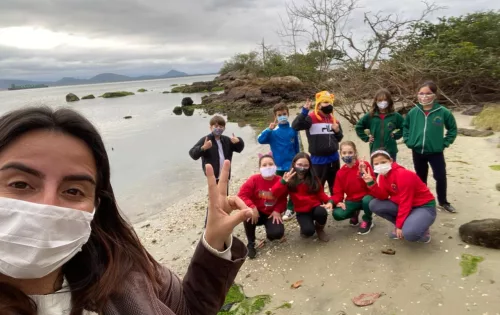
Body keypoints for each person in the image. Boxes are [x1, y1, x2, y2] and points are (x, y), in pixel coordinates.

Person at [0, 107, 252, 315]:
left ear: (96, 204)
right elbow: (193, 153)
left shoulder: (128, 269)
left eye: (73, 190)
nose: (48, 205)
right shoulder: (205, 140)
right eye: (20, 184)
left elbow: (187, 309)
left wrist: (214, 241)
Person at [403, 81, 458, 213]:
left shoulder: (443, 112)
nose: (424, 96)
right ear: (417, 95)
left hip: (435, 152)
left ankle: (443, 201)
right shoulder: (413, 112)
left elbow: (452, 129)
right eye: (421, 93)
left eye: (428, 93)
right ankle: (423, 201)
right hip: (417, 151)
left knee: (440, 176)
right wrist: (408, 141)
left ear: (434, 94)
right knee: (421, 177)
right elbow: (405, 127)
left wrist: (444, 143)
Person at [363, 150, 437, 243]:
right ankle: (408, 223)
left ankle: (422, 228)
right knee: (374, 204)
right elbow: (383, 196)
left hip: (424, 206)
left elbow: (406, 202)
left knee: (410, 234)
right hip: (405, 205)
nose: (380, 166)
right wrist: (371, 183)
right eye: (376, 164)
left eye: (383, 162)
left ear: (391, 160)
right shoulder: (382, 176)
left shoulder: (403, 174)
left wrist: (399, 226)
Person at [189, 115, 245, 225]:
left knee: (223, 200)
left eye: (220, 126)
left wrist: (238, 141)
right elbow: (193, 154)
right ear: (210, 127)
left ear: (224, 128)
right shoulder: (206, 139)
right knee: (214, 200)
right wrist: (203, 148)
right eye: (215, 126)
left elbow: (239, 149)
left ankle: (223, 219)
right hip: (213, 177)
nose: (218, 128)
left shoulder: (226, 140)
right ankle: (208, 223)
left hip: (224, 176)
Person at [271, 152, 333, 242]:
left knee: (322, 212)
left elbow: (321, 194)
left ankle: (320, 229)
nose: (302, 168)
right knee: (308, 232)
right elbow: (274, 193)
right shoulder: (289, 180)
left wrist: (330, 202)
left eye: (306, 165)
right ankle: (307, 225)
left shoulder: (313, 178)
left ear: (309, 166)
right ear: (294, 164)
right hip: (301, 211)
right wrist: (283, 182)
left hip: (315, 207)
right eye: (299, 164)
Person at [292, 91, 343, 195]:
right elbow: (295, 126)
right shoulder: (310, 118)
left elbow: (339, 138)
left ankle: (335, 204)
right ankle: (318, 207)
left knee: (335, 186)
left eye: (329, 103)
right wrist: (304, 111)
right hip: (318, 160)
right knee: (317, 186)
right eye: (325, 102)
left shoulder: (334, 120)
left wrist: (337, 131)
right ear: (319, 105)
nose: (328, 105)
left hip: (334, 159)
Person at [238, 153, 287, 259]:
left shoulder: (280, 180)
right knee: (247, 214)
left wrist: (278, 210)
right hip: (256, 213)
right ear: (259, 168)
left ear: (275, 165)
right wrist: (252, 206)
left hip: (271, 213)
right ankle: (251, 243)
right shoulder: (254, 179)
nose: (268, 167)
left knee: (276, 234)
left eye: (270, 164)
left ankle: (270, 233)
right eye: (264, 165)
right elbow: (241, 195)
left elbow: (283, 199)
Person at [257, 103, 299, 221]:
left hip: (291, 165)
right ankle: (280, 208)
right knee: (280, 188)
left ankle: (291, 208)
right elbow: (260, 140)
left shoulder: (293, 131)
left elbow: (296, 147)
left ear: (288, 113)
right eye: (279, 115)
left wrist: (297, 162)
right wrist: (268, 129)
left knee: (292, 188)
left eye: (284, 114)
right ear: (275, 117)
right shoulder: (272, 132)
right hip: (278, 166)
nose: (282, 116)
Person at [331, 141, 375, 235]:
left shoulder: (364, 165)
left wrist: (363, 175)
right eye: (344, 153)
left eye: (350, 152)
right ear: (340, 154)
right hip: (352, 200)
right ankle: (354, 213)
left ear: (355, 152)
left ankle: (367, 220)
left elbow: (373, 184)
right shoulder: (340, 173)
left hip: (366, 197)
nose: (347, 155)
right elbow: (338, 192)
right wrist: (335, 201)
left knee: (367, 200)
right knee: (337, 214)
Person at [355, 89, 404, 161]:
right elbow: (358, 127)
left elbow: (405, 126)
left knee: (392, 170)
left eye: (385, 100)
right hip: (375, 149)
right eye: (380, 100)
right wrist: (366, 138)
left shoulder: (395, 116)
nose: (382, 102)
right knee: (376, 170)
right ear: (376, 101)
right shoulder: (370, 116)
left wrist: (397, 135)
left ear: (389, 101)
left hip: (390, 149)